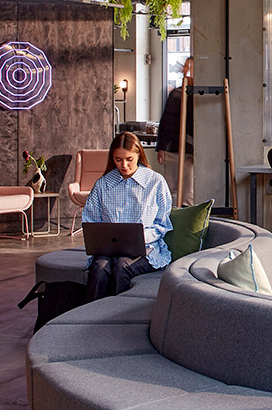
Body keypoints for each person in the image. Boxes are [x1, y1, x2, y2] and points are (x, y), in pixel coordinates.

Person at [81, 132, 172, 301]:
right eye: (118, 159)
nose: (124, 165)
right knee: (99, 268)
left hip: (146, 249)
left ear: (139, 155)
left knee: (122, 266)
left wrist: (140, 237)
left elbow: (163, 224)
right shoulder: (102, 184)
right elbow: (90, 220)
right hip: (108, 251)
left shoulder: (156, 182)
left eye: (129, 159)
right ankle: (91, 314)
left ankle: (119, 315)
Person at [155, 57, 195, 207]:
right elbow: (166, 120)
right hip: (172, 148)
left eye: (190, 67)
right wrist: (161, 147)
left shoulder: (198, 94)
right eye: (185, 66)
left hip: (190, 150)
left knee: (188, 193)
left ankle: (185, 216)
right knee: (170, 190)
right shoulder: (176, 93)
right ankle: (169, 215)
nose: (186, 70)